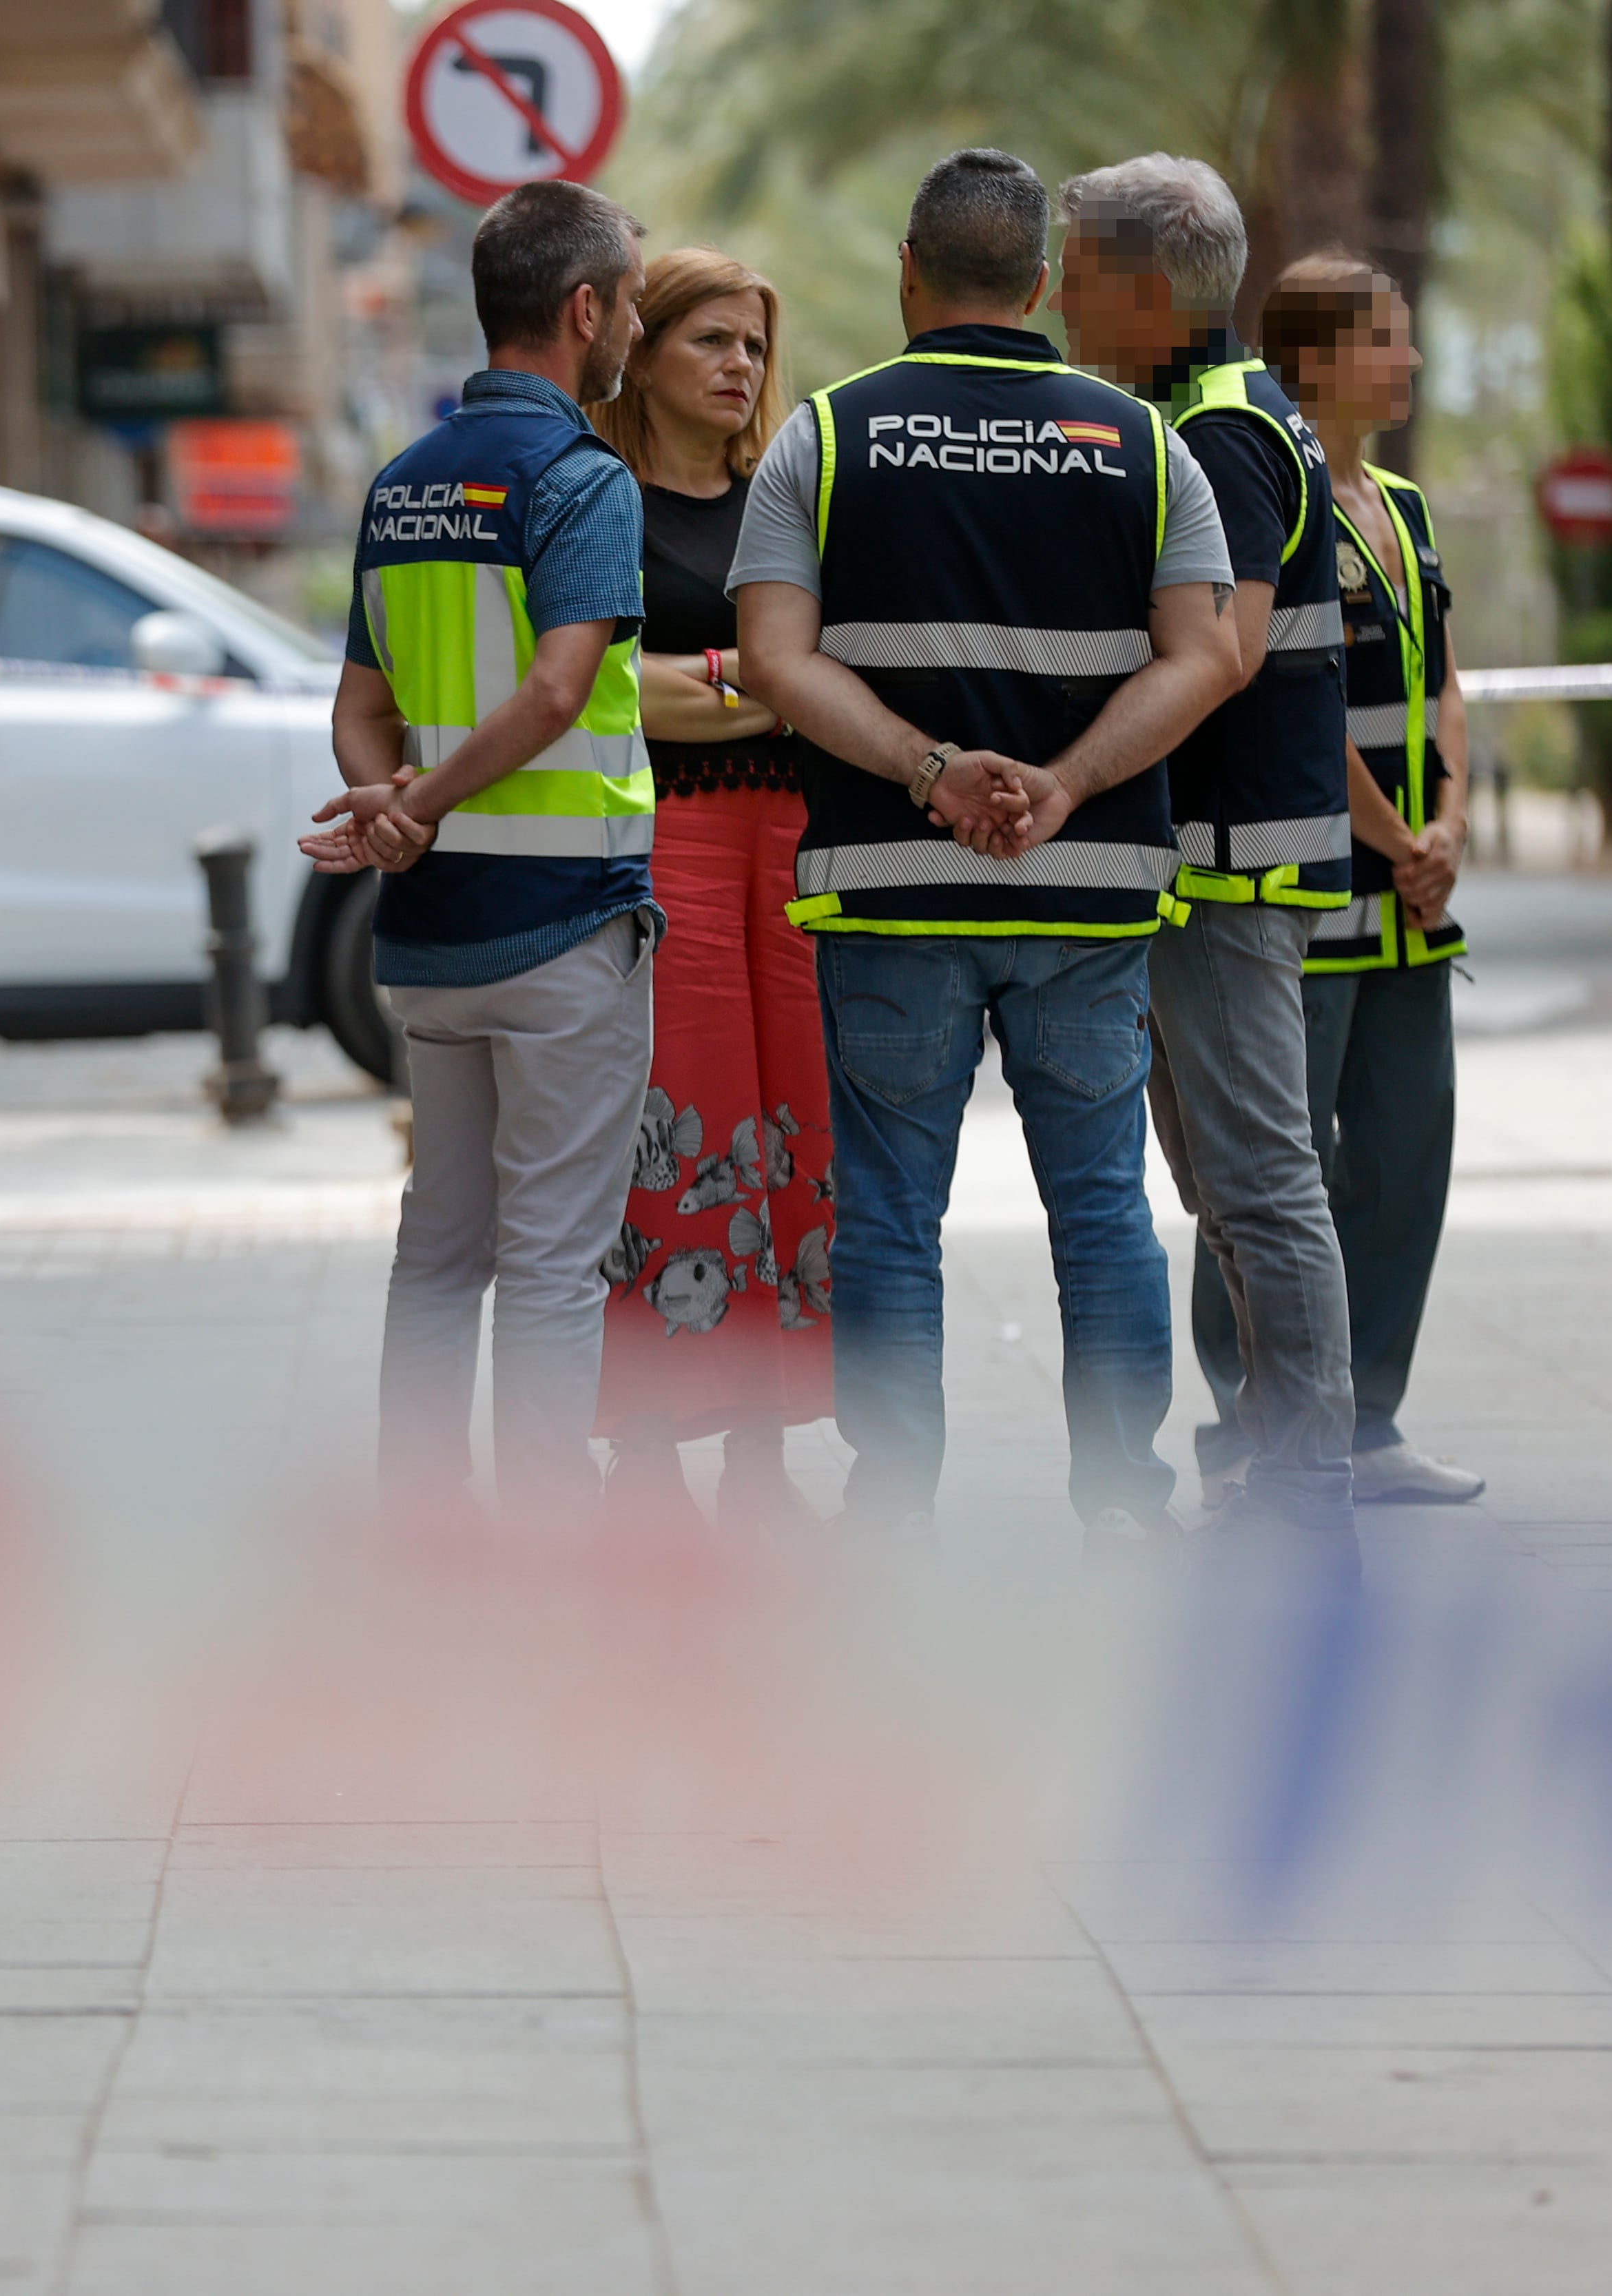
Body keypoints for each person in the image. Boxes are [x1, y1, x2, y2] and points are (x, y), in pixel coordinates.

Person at [734, 149, 1237, 1548]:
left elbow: (775, 659)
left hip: (888, 892)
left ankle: (891, 1505)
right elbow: (1204, 658)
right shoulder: (1145, 446)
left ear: (908, 271)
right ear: (1043, 283)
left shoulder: (822, 439)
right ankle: (1123, 1504)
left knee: (891, 1210)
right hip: (1088, 890)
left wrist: (930, 770)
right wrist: (1064, 784)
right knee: (1099, 1205)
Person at [307, 178, 657, 1517]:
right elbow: (560, 689)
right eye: (626, 300)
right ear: (584, 310)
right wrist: (428, 800)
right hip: (567, 929)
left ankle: (422, 1536)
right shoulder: (581, 480)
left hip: (431, 944)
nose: (629, 324)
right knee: (558, 1263)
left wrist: (393, 809)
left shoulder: (398, 487)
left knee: (439, 1252)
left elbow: (357, 711)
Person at [1056, 154, 1359, 1560]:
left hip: (1233, 870)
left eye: (1072, 271)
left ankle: (1308, 1480)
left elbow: (1222, 653)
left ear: (1136, 286)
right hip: (1214, 865)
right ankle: (1282, 1461)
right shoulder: (1205, 414)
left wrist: (1068, 769)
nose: (1056, 297)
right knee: (1229, 1188)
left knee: (1259, 1182)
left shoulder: (1225, 431)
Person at [1191, 253, 1482, 1505]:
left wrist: (1449, 822)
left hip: (1421, 910)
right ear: (1315, 358)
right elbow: (1298, 698)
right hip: (1330, 899)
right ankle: (1247, 1415)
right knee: (1272, 1163)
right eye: (1389, 339)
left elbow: (1447, 683)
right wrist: (1388, 837)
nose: (1410, 361)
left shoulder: (1403, 507)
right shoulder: (1280, 477)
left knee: (1411, 1152)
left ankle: (1372, 1422)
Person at [582, 248, 833, 1532]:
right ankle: (643, 1448)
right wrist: (767, 676)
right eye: (711, 343)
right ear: (643, 350)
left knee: (792, 1129)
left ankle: (758, 1448)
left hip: (791, 851)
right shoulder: (602, 503)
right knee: (675, 1131)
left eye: (753, 346)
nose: (740, 368)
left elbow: (827, 672)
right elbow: (610, 689)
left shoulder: (791, 503)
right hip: (667, 840)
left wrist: (713, 681)